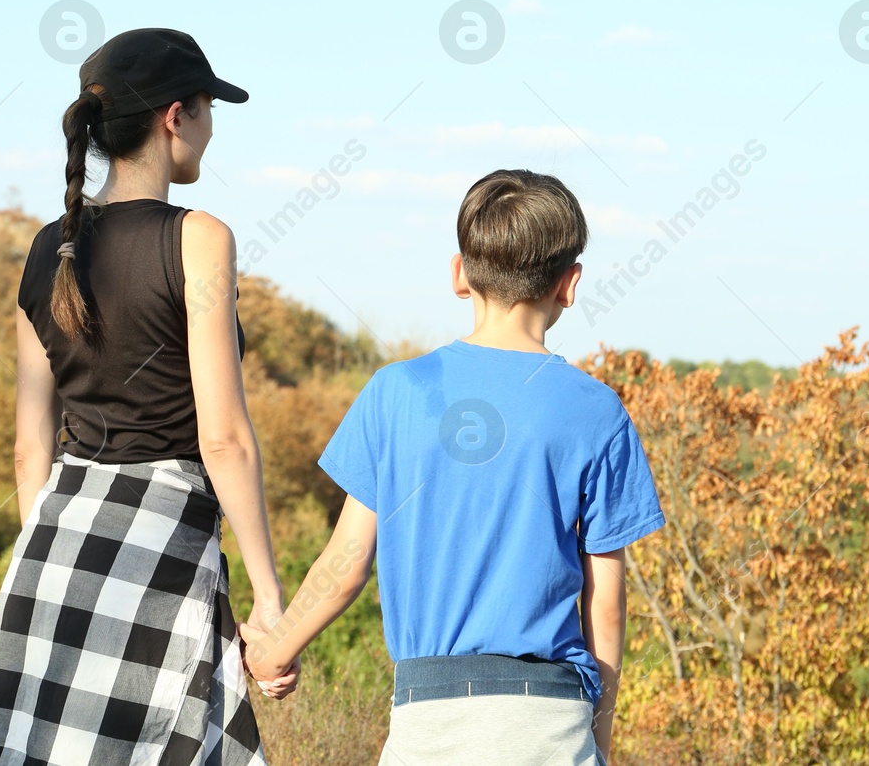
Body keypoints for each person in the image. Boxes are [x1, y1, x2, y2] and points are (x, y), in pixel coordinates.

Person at [0, 28, 294, 766]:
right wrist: (269, 598)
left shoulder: (48, 246)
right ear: (176, 115)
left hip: (52, 547)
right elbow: (223, 437)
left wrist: (43, 562)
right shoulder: (200, 237)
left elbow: (28, 447)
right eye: (208, 108)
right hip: (160, 542)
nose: (210, 127)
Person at [241, 169, 666, 766]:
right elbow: (606, 600)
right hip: (551, 721)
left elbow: (345, 566)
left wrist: (271, 652)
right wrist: (600, 736)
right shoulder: (596, 411)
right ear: (569, 284)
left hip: (427, 718)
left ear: (458, 274)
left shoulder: (396, 393)